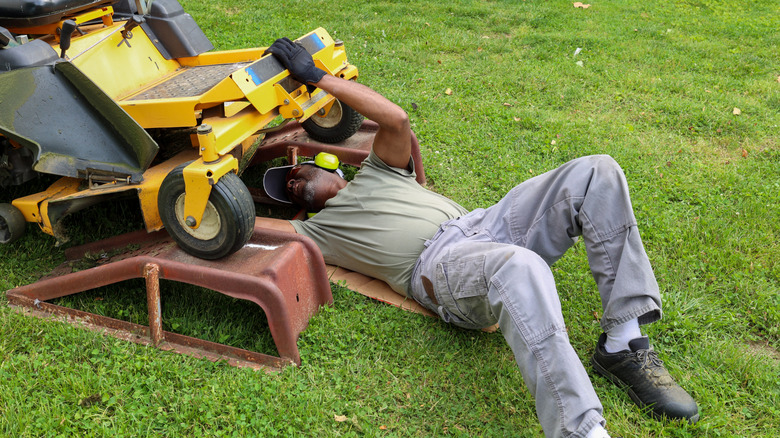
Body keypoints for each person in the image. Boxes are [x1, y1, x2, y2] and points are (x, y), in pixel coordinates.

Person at [257, 37, 699, 438]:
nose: (293, 185)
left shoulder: (381, 170)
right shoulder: (313, 232)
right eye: (287, 191)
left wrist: (318, 78)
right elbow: (247, 229)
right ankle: (581, 431)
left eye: (293, 173)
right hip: (441, 271)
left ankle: (623, 341)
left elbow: (396, 119)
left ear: (326, 163)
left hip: (486, 224)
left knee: (597, 171)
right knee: (519, 267)